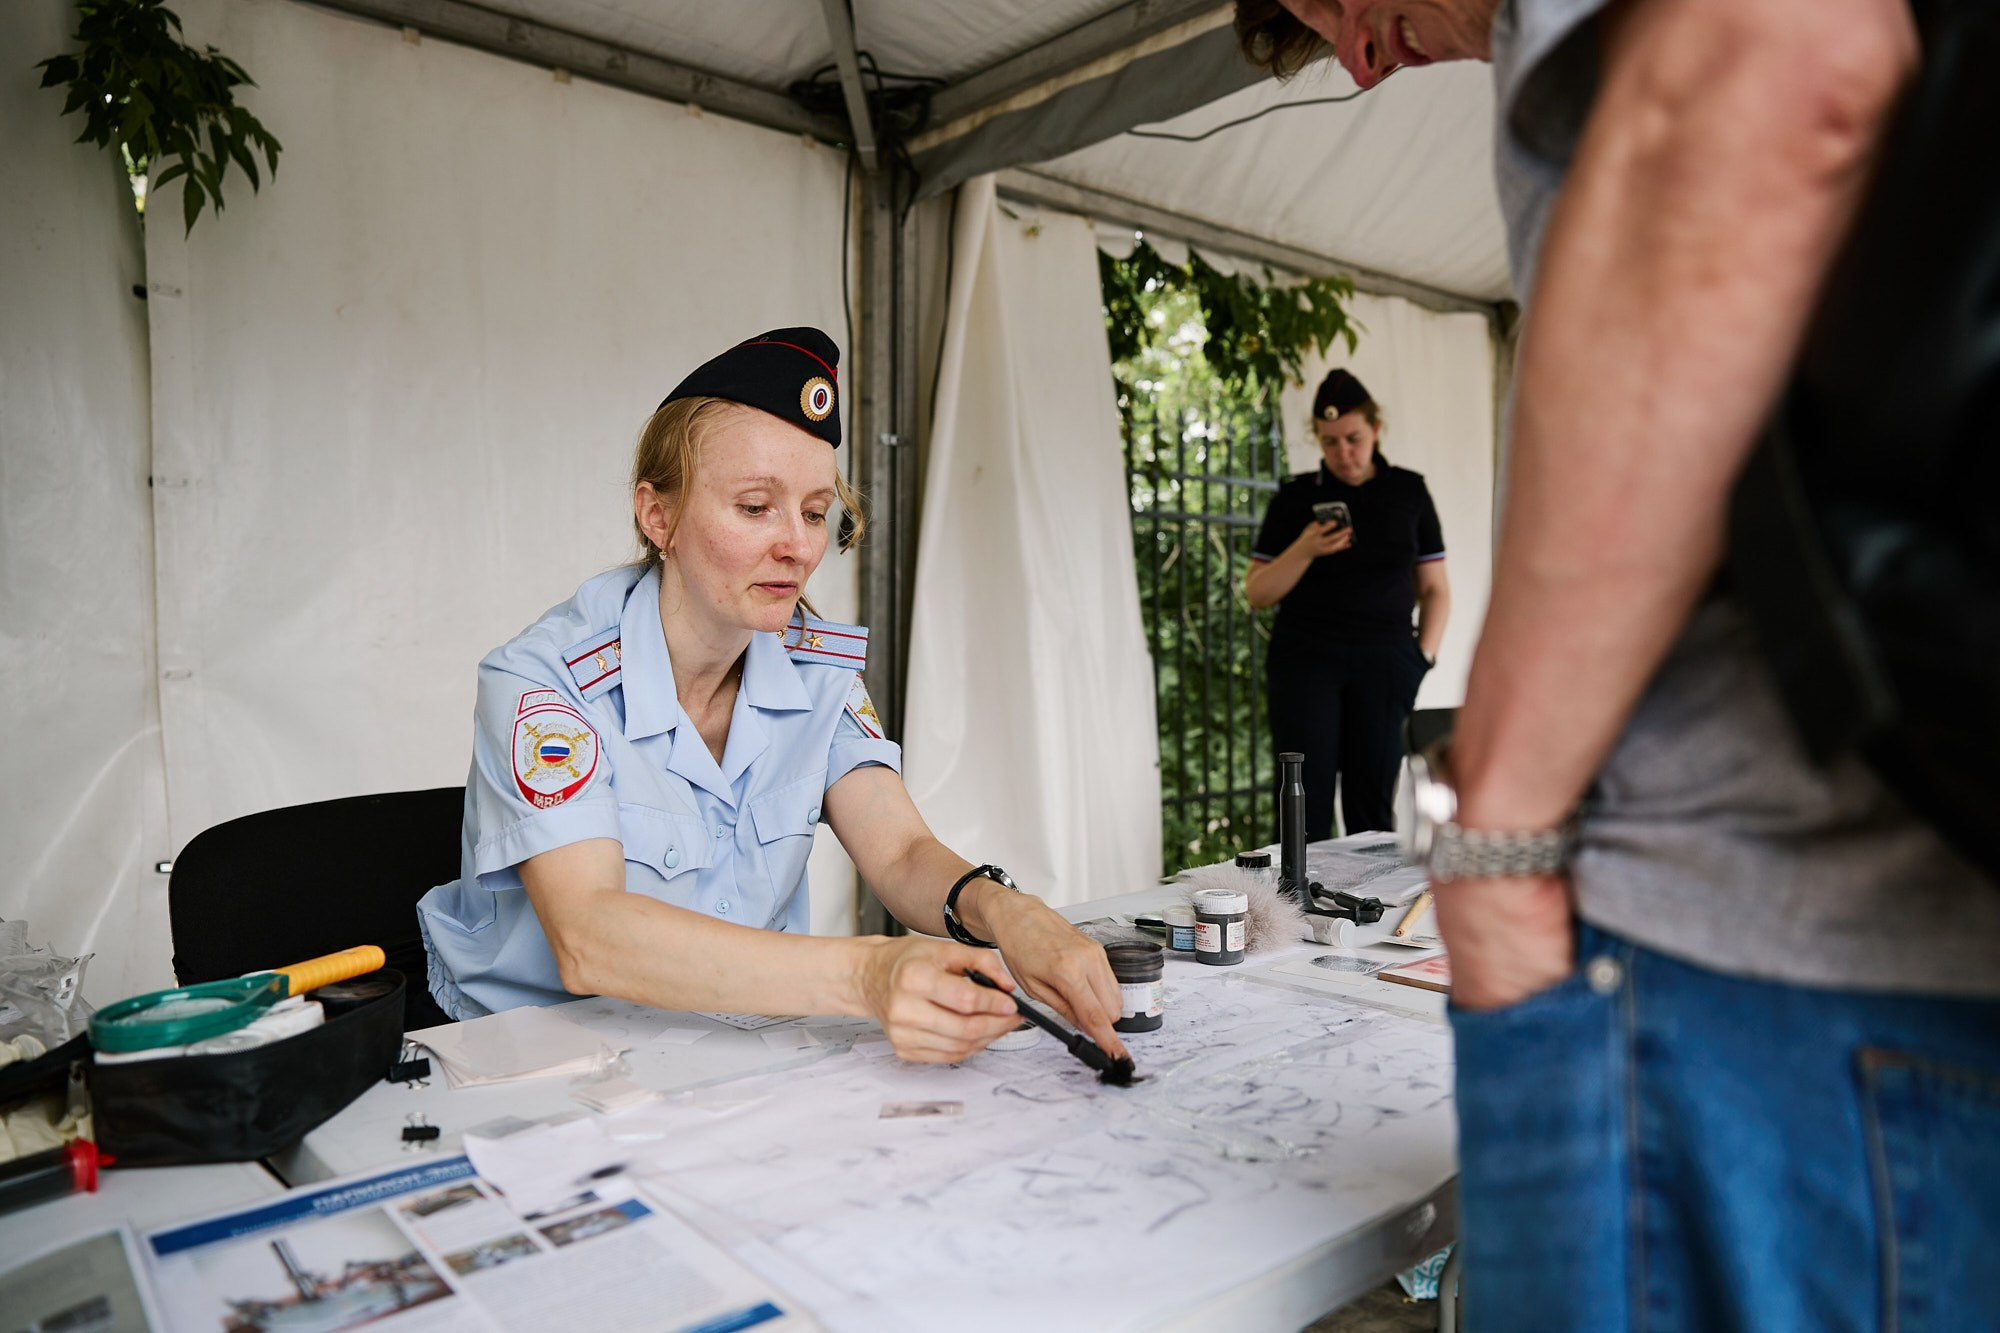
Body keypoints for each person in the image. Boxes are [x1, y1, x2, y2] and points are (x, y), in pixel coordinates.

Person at [1238, 0, 2000, 1328]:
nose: (1358, 59)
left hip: (1733, 969)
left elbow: (1768, 58)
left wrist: (1498, 827)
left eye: (1336, 4)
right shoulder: (1296, 494)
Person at [417, 328, 1128, 1066]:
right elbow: (589, 936)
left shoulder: (817, 668)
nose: (797, 545)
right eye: (756, 507)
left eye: (816, 511)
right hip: (523, 1062)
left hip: (728, 1050)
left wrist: (1005, 909)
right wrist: (869, 971)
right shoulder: (544, 681)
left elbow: (903, 851)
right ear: (657, 516)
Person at [1245, 368, 1449, 838]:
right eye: (1329, 441)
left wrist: (1422, 658)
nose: (1344, 453)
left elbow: (1436, 587)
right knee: (1302, 807)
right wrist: (1305, 548)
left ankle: (1371, 912)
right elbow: (1256, 592)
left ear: (1376, 429)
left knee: (1372, 809)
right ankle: (1298, 910)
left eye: (1353, 438)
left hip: (1386, 663)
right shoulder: (1296, 497)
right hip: (1306, 664)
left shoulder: (1408, 492)